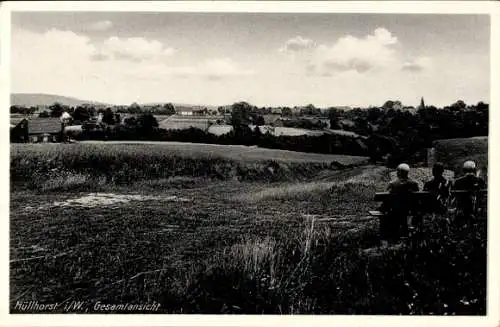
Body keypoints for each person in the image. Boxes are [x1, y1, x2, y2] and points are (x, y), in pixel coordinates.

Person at [380, 163, 420, 244]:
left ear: (398, 172)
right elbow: (416, 199)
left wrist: (383, 208)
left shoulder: (393, 184)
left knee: (385, 212)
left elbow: (386, 199)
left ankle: (387, 236)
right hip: (410, 210)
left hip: (395, 210)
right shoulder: (414, 184)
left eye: (397, 171)